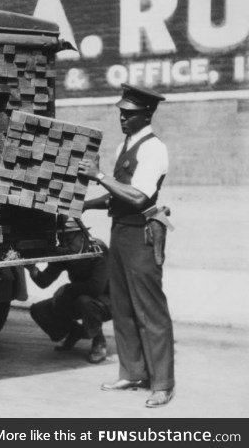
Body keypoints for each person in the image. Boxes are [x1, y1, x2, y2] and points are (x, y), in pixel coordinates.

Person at [78, 83, 175, 408]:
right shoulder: (125, 145)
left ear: (146, 114)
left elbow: (138, 196)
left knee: (150, 310)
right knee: (122, 306)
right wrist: (86, 205)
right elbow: (117, 192)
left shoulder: (153, 149)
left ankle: (161, 383)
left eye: (130, 114)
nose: (123, 118)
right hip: (120, 231)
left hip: (141, 234)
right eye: (121, 113)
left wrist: (100, 174)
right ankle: (132, 371)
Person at [26, 218, 111, 364]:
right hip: (81, 297)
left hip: (109, 301)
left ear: (81, 235)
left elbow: (96, 288)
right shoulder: (66, 252)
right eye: (61, 239)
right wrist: (32, 269)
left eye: (68, 239)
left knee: (84, 300)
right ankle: (75, 332)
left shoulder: (98, 248)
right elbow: (44, 281)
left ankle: (99, 341)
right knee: (39, 310)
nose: (64, 244)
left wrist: (67, 288)